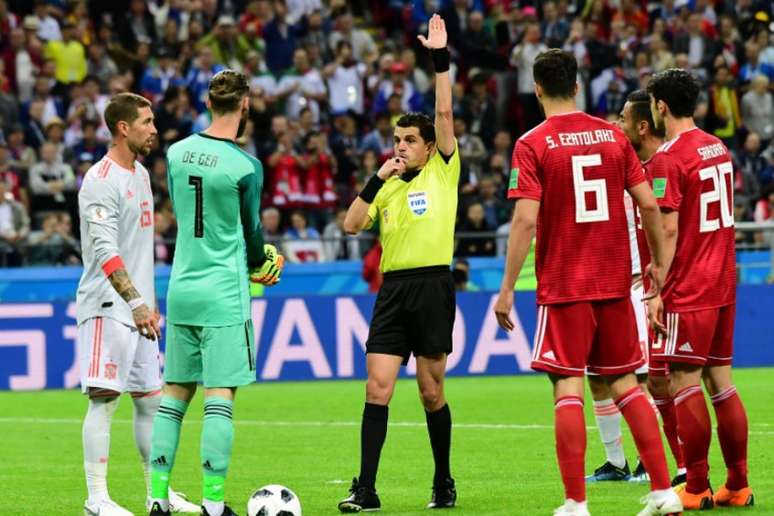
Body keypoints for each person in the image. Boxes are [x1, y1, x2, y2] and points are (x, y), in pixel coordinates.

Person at [493, 49, 682, 516]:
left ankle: (576, 502)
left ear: (536, 88)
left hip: (565, 284)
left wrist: (506, 288)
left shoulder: (532, 143)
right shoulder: (613, 137)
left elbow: (524, 221)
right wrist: (658, 265)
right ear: (577, 86)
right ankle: (663, 492)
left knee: (567, 388)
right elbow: (649, 205)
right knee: (625, 384)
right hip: (617, 280)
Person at [148, 70, 285, 516]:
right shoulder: (246, 166)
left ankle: (157, 498)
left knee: (173, 395)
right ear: (245, 106)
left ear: (208, 104)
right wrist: (263, 265)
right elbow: (250, 233)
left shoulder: (177, 152)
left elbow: (184, 216)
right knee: (219, 396)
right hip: (224, 292)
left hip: (182, 286)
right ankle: (211, 502)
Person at [337, 14, 458, 513]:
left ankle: (443, 481)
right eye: (396, 140)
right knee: (377, 387)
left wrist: (439, 60)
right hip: (394, 291)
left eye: (410, 141)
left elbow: (445, 113)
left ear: (429, 147)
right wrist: (374, 177)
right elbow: (350, 225)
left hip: (432, 287)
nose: (401, 147)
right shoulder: (384, 185)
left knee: (431, 392)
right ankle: (365, 489)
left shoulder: (444, 170)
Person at [76, 92, 197, 516]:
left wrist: (147, 303)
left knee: (150, 401)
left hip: (141, 310)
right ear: (123, 128)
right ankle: (97, 498)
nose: (155, 129)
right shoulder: (100, 180)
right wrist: (135, 302)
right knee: (104, 398)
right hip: (108, 307)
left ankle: (157, 493)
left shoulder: (142, 175)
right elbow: (106, 251)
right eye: (146, 122)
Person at [646, 68, 753, 510]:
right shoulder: (717, 146)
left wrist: (657, 286)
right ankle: (738, 484)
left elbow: (667, 231)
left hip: (689, 285)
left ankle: (696, 487)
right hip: (724, 280)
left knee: (684, 381)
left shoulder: (668, 158)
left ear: (661, 106)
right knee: (721, 382)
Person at [586, 89, 686, 486]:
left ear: (642, 125)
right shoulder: (622, 162)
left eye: (624, 120)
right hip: (611, 285)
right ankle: (616, 462)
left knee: (646, 379)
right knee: (598, 376)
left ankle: (656, 460)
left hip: (643, 287)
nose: (617, 125)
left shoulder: (661, 167)